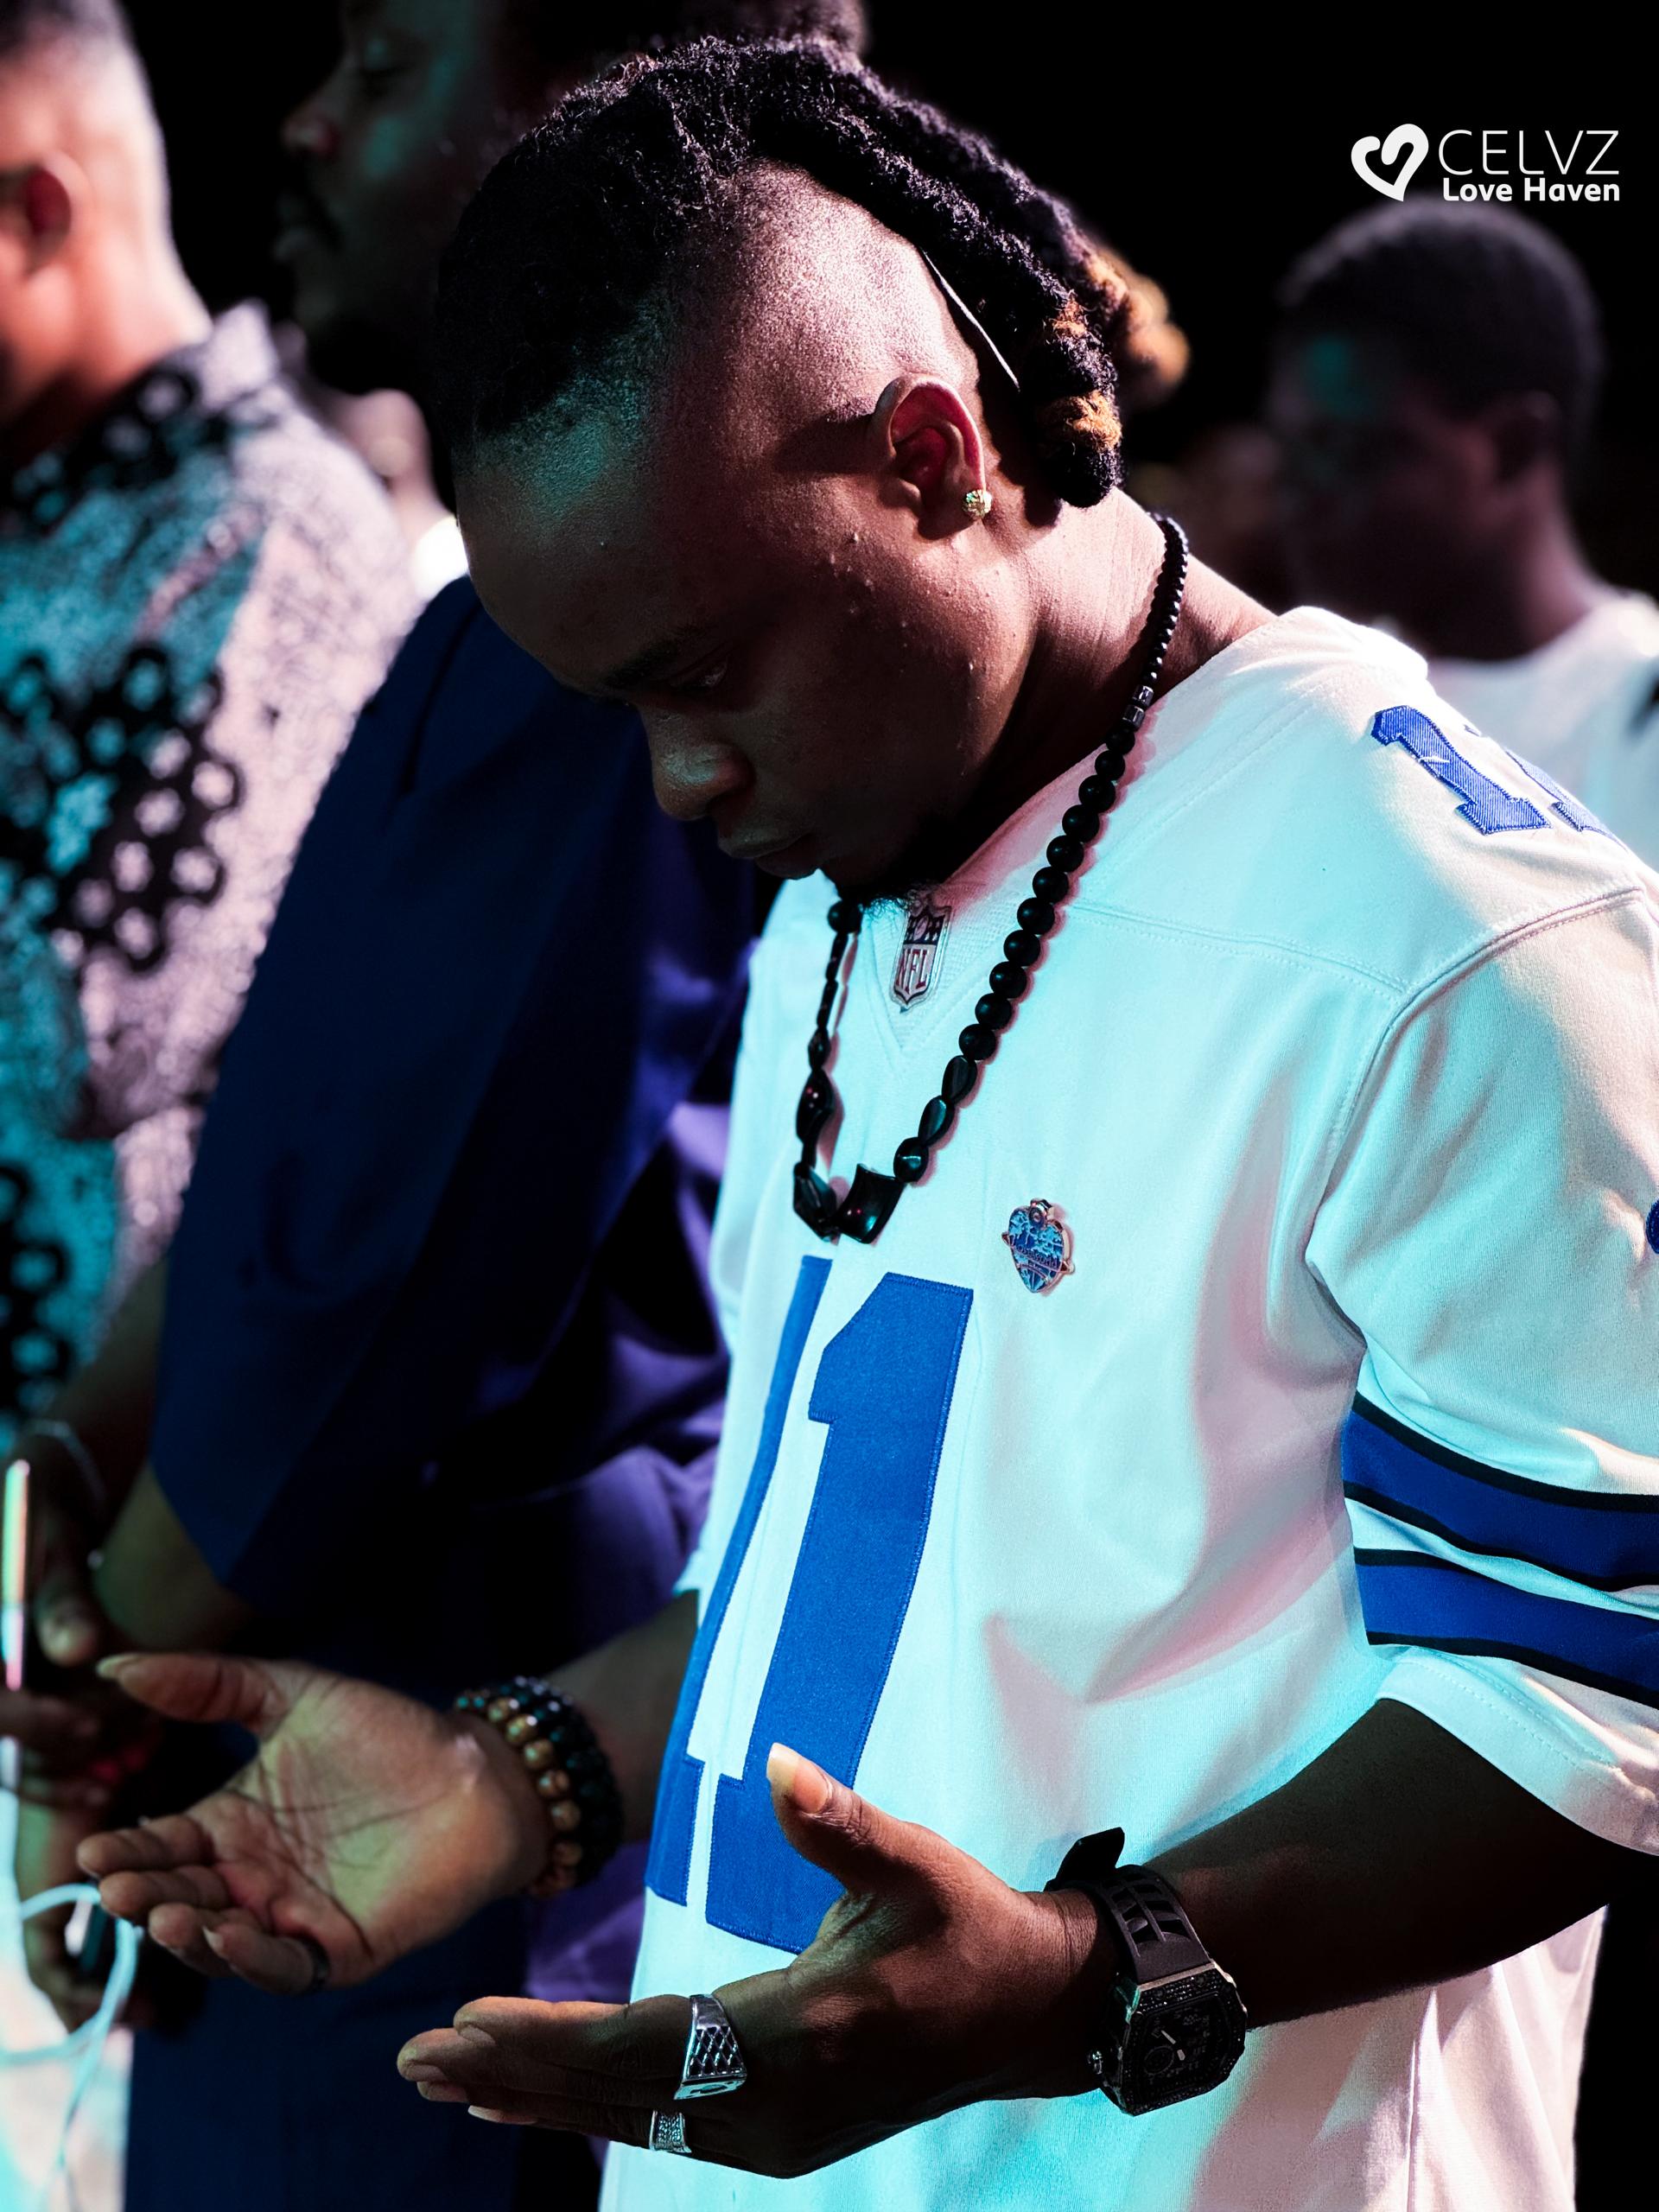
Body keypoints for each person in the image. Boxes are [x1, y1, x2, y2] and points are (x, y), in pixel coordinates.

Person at [81, 39, 1659, 2212]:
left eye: (702, 675)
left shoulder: (1443, 930)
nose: (675, 781)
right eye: (622, 708)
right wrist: (506, 1774)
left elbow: (1587, 1701)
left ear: (932, 454)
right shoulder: (866, 865)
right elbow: (874, 1563)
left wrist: (1071, 1980)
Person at [2, 8, 855, 2212]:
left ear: (606, 108)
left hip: (428, 1694)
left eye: (387, 63)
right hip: (305, 1638)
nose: (304, 120)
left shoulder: (597, 624)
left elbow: (386, 1258)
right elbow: (285, 1139)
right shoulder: (493, 612)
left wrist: (104, 1658)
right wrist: (82, 1486)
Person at [0, 0, 414, 1440]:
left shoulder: (265, 526)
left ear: (39, 213)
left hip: (89, 1458)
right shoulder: (36, 500)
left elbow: (93, 1041)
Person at [1268, 200, 1659, 862]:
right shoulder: (1311, 697)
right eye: (1293, 450)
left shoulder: (1639, 715)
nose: (1301, 494)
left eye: (1350, 450)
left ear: (1512, 445)